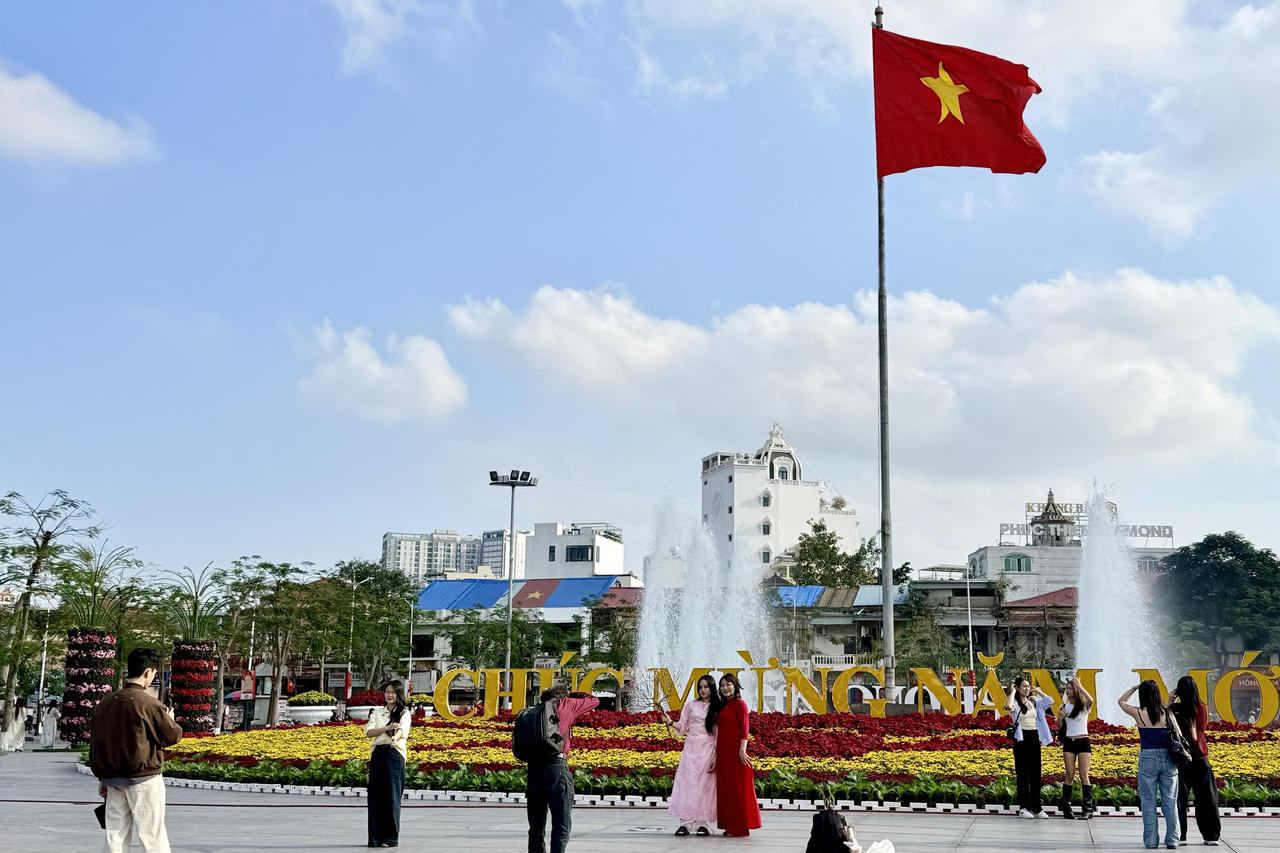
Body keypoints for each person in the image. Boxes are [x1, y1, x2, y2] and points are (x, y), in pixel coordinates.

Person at [89, 647, 185, 853]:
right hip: (145, 778)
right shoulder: (150, 704)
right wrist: (170, 718)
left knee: (115, 836)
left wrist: (102, 778)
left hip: (113, 780)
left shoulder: (105, 703)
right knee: (151, 836)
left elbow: (97, 742)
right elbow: (172, 736)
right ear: (148, 672)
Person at [526, 683, 598, 853]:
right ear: (563, 696)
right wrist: (573, 693)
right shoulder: (567, 705)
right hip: (556, 767)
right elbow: (594, 700)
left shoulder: (535, 709)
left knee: (536, 824)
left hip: (534, 769)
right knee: (561, 821)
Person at [1119, 680, 1180, 849]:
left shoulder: (1138, 713)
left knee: (1148, 802)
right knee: (1170, 801)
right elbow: (1179, 736)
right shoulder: (1167, 713)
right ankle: (1172, 839)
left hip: (1147, 757)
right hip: (1168, 758)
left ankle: (1151, 841)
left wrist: (1133, 687)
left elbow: (1121, 702)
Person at [664, 674, 722, 836]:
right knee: (687, 784)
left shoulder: (717, 707)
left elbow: (719, 733)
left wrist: (715, 756)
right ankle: (686, 823)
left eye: (706, 687)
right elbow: (683, 727)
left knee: (705, 787)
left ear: (712, 688)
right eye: (700, 687)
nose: (703, 690)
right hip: (691, 750)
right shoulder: (691, 705)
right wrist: (670, 722)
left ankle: (704, 824)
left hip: (708, 750)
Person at [1168, 676, 1221, 846]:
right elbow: (1202, 728)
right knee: (1207, 798)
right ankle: (1211, 835)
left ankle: (1181, 836)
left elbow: (1166, 724)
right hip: (1200, 756)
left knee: (1180, 798)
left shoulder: (1174, 709)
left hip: (1182, 758)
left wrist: (1170, 700)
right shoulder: (1202, 707)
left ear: (1179, 691)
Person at [709, 673, 761, 838]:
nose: (725, 688)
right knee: (726, 790)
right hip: (723, 752)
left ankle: (739, 828)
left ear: (735, 685)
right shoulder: (723, 706)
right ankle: (729, 826)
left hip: (735, 752)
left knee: (737, 790)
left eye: (728, 684)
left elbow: (744, 728)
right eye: (722, 685)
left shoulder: (740, 704)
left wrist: (742, 750)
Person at [365, 680, 412, 848]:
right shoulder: (377, 713)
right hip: (378, 754)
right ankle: (375, 838)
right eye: (387, 692)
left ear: (399, 694)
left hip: (394, 755)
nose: (389, 695)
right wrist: (387, 728)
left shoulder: (404, 712)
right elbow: (369, 732)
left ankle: (390, 838)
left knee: (392, 798)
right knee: (376, 798)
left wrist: (394, 737)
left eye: (393, 692)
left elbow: (402, 731)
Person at [1006, 676, 1053, 819]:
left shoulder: (1034, 702)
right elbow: (1009, 706)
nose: (1027, 688)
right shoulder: (1015, 702)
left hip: (1034, 737)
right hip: (1021, 738)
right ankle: (1024, 807)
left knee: (1036, 773)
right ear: (1018, 687)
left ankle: (1037, 808)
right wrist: (1013, 691)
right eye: (1024, 686)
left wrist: (1038, 691)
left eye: (1028, 686)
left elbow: (1050, 701)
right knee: (1022, 773)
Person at [1059, 676, 1095, 819]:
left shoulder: (1084, 706)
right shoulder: (1064, 707)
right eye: (1066, 689)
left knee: (1083, 775)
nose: (1067, 691)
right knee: (1070, 775)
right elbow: (1060, 728)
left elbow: (1091, 699)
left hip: (1083, 741)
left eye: (1070, 688)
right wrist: (1060, 718)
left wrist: (1080, 686)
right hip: (1069, 742)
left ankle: (1087, 808)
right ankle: (1066, 806)